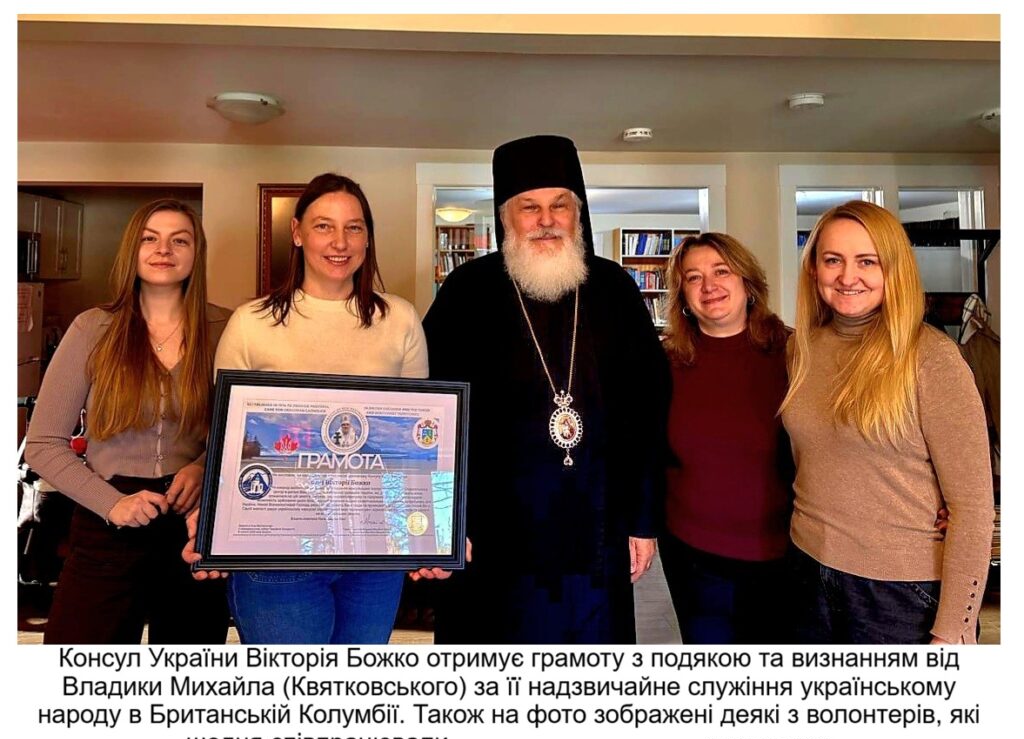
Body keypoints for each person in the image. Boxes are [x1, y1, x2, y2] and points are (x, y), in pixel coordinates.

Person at [420, 134, 670, 643]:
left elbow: (647, 411)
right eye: (529, 207)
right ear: (505, 217)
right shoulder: (466, 292)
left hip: (597, 526)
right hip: (492, 529)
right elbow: (430, 415)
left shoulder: (615, 289)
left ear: (578, 214)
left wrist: (642, 520)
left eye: (560, 205)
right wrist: (441, 521)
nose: (546, 219)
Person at [184, 173, 428, 644]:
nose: (340, 242)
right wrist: (212, 521)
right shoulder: (251, 323)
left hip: (373, 553)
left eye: (354, 228)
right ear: (297, 233)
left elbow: (416, 445)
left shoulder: (399, 319)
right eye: (323, 226)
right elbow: (228, 441)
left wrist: (429, 530)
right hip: (276, 552)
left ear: (367, 237)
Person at [781, 200, 994, 644]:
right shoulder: (800, 349)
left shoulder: (932, 358)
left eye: (867, 261)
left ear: (893, 270)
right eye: (833, 260)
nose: (847, 277)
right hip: (806, 572)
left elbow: (973, 508)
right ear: (814, 269)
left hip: (901, 592)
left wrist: (954, 630)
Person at [26, 199, 230, 644]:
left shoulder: (226, 329)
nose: (164, 249)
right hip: (106, 522)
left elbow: (246, 432)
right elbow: (43, 443)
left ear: (197, 253)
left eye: (180, 240)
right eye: (149, 238)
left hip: (193, 525)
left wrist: (202, 467)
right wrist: (111, 503)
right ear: (131, 250)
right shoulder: (93, 329)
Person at [660, 233, 793, 644]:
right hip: (692, 556)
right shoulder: (664, 362)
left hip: (783, 555)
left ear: (747, 282)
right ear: (683, 296)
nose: (709, 286)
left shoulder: (795, 353)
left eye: (722, 271)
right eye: (693, 278)